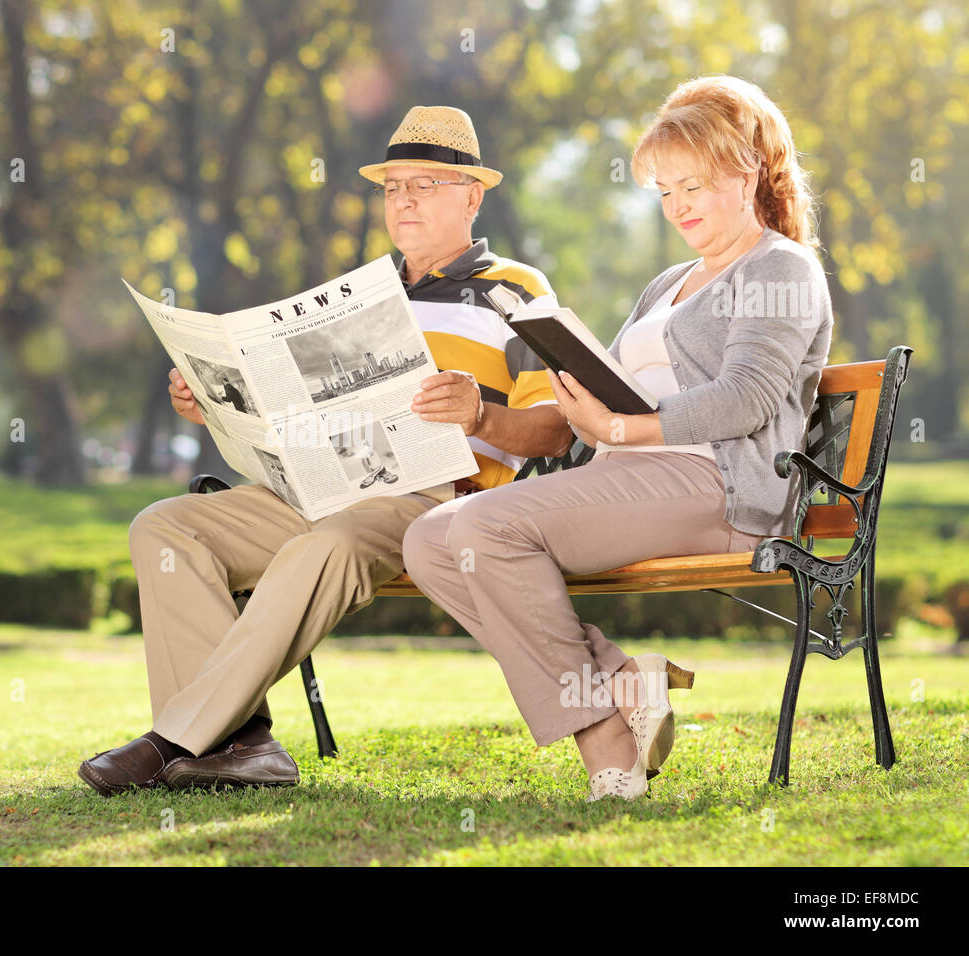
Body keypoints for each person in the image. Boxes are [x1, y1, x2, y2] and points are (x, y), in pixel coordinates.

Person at [79, 105, 573, 795]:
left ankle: (174, 739)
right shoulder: (362, 293)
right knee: (164, 527)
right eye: (391, 185)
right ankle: (242, 743)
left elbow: (557, 428)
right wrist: (215, 402)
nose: (402, 198)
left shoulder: (515, 289)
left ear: (472, 194)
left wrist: (480, 413)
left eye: (424, 184)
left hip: (436, 501)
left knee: (330, 543)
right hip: (319, 484)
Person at [402, 76, 833, 802]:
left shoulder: (780, 268)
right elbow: (616, 385)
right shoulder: (669, 283)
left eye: (692, 184)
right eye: (665, 192)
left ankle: (607, 747)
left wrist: (623, 428)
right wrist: (579, 396)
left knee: (484, 526)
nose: (679, 207)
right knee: (429, 542)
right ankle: (626, 684)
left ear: (747, 172)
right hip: (629, 476)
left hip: (719, 485)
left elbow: (746, 399)